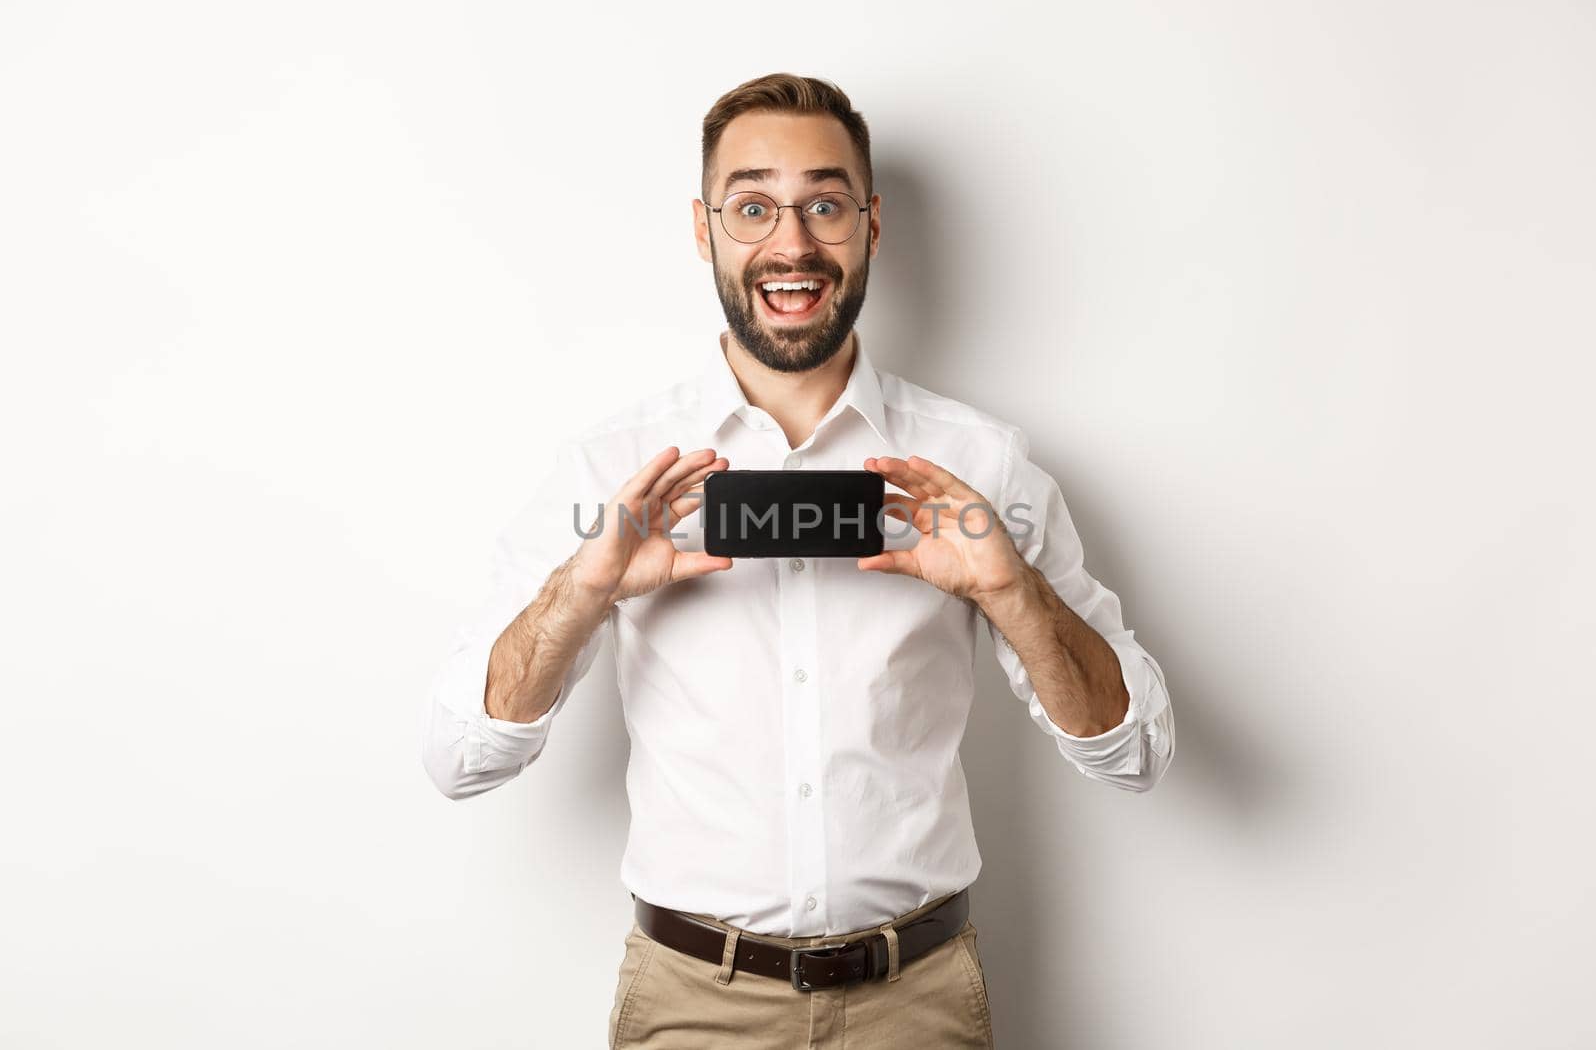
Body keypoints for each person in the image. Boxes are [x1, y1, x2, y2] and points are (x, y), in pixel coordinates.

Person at [420, 72, 1176, 1050]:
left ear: (870, 224)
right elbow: (458, 759)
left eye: (824, 204)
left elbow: (1137, 754)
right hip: (692, 1002)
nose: (791, 243)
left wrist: (1011, 590)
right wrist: (583, 588)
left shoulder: (982, 464)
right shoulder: (609, 467)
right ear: (704, 229)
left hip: (921, 999)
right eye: (752, 206)